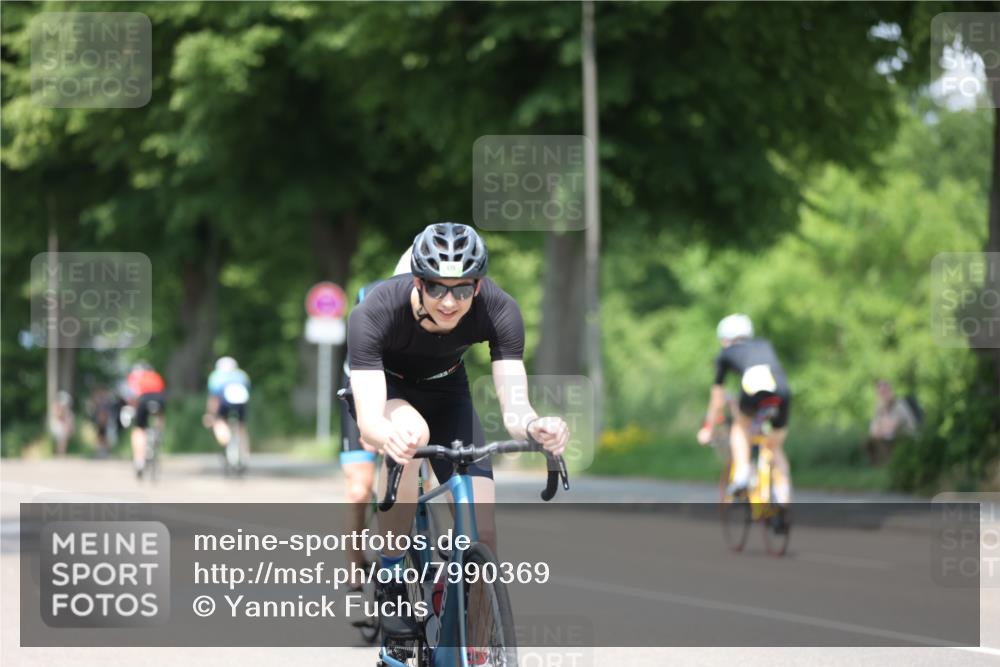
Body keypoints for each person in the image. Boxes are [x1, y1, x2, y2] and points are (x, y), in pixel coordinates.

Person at [342, 222, 569, 633]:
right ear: (417, 281)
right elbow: (371, 421)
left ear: (478, 287)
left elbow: (516, 407)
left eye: (462, 289)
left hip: (448, 393)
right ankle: (391, 576)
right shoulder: (375, 311)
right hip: (390, 391)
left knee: (483, 532)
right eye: (437, 288)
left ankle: (471, 637)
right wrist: (386, 435)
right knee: (412, 434)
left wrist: (538, 426)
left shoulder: (499, 308)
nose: (450, 302)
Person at [338, 249, 413, 585]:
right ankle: (355, 562)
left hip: (409, 391)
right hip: (363, 389)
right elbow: (366, 384)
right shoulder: (372, 303)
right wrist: (374, 429)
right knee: (359, 488)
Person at [697, 314, 792, 532]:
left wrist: (708, 427)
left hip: (754, 393)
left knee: (740, 428)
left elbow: (717, 398)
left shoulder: (725, 353)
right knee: (774, 446)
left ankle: (741, 475)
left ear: (725, 339)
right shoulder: (764, 344)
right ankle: (784, 498)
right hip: (783, 393)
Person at [204, 356, 252, 472]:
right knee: (241, 427)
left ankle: (226, 440)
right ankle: (245, 455)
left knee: (219, 421)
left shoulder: (216, 376)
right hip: (241, 400)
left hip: (225, 400)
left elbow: (214, 398)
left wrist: (210, 415)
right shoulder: (242, 375)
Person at [125, 361, 166, 479]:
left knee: (139, 429)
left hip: (143, 400)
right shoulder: (155, 376)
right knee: (160, 415)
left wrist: (132, 410)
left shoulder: (134, 377)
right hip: (159, 399)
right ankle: (158, 433)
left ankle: (139, 461)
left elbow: (132, 397)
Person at [865, 379, 918, 465]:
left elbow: (891, 428)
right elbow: (873, 430)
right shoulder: (879, 407)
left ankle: (891, 464)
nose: (883, 395)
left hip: (906, 437)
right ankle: (880, 465)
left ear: (890, 392)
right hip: (890, 438)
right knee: (869, 442)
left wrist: (881, 427)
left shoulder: (899, 405)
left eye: (885, 392)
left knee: (887, 440)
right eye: (880, 393)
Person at [49, 390, 75, 457]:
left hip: (63, 427)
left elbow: (69, 420)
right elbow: (57, 416)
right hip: (56, 426)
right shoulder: (56, 406)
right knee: (62, 436)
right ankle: (60, 452)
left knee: (63, 436)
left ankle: (61, 452)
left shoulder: (67, 411)